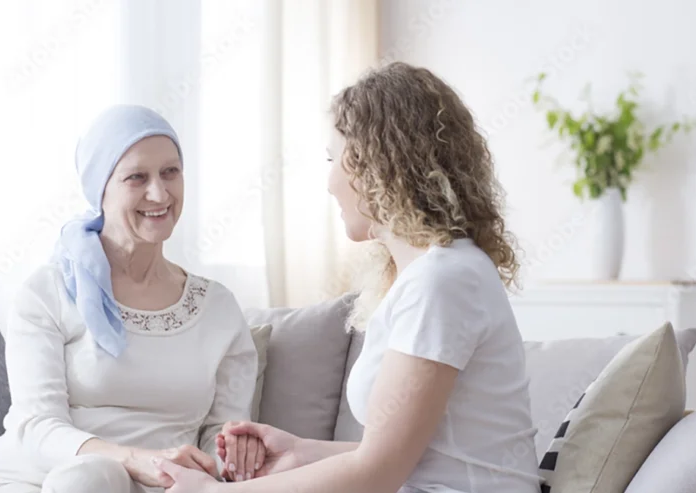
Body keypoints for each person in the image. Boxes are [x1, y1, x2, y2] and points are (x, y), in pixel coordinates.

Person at [154, 62, 543, 493]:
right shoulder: (429, 276)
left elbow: (378, 474)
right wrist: (302, 451)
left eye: (332, 159)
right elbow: (409, 456)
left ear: (376, 165)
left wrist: (212, 492)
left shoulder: (443, 281)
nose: (329, 182)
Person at [0, 105, 263, 493]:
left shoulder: (217, 308)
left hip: (162, 485)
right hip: (33, 480)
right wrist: (136, 460)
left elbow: (219, 440)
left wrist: (234, 454)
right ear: (99, 189)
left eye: (170, 172)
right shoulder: (47, 292)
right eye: (137, 177)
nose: (159, 192)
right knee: (92, 478)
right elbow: (36, 426)